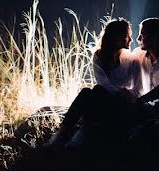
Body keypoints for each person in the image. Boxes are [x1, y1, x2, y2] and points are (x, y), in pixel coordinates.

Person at [44, 18, 138, 148]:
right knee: (90, 92)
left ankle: (78, 134)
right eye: (127, 36)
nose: (131, 40)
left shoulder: (131, 58)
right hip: (106, 99)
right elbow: (103, 82)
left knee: (96, 92)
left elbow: (136, 86)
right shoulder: (100, 56)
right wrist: (117, 92)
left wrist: (126, 94)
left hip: (122, 103)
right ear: (116, 37)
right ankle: (63, 133)